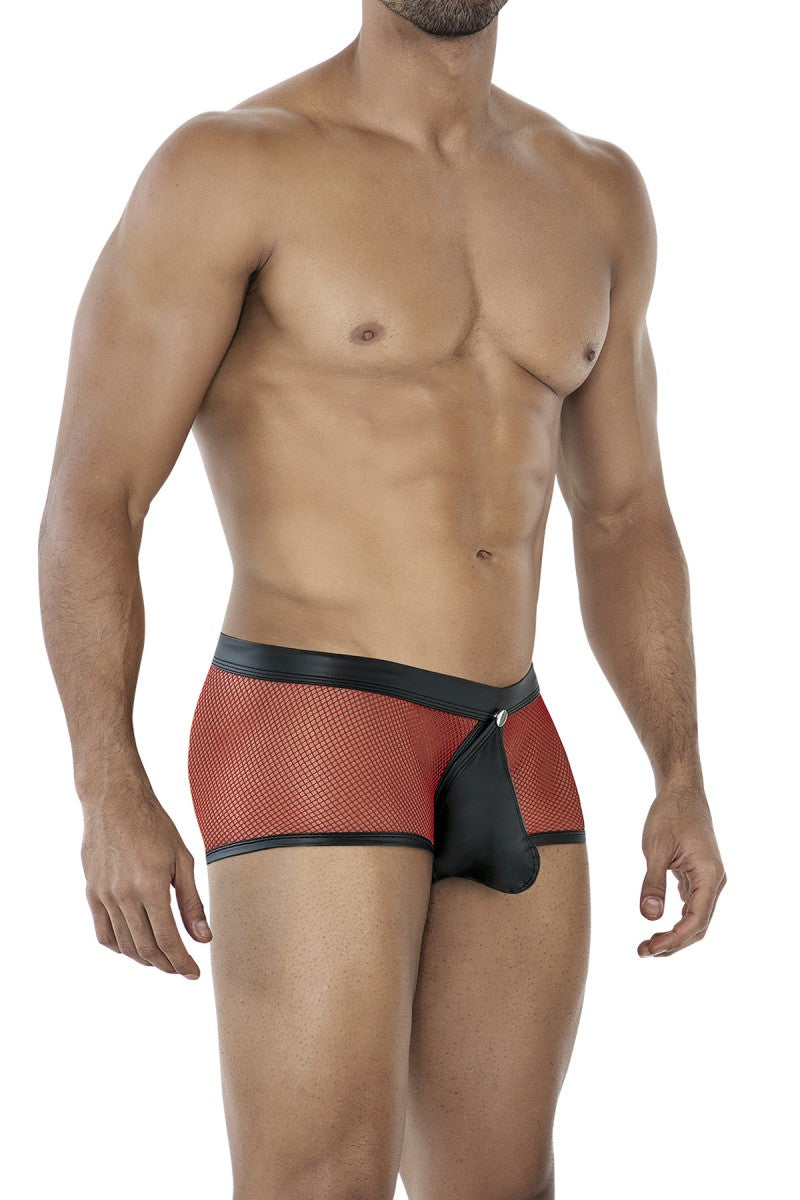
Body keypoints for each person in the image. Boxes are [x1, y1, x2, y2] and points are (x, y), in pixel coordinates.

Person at [38, 2, 727, 1197]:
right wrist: (106, 779)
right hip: (313, 719)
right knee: (317, 1181)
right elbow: (95, 498)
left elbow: (623, 517)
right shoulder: (233, 166)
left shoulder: (593, 191)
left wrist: (678, 767)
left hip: (511, 733)